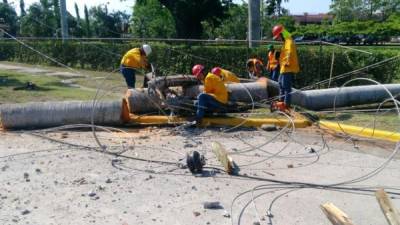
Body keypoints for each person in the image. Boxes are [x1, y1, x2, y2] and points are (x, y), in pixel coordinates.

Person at [272, 24, 300, 110]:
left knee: (286, 87)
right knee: (281, 85)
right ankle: (281, 102)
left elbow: (289, 52)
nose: (278, 39)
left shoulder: (289, 41)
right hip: (283, 68)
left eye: (278, 37)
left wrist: (286, 62)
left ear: (282, 34)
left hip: (287, 68)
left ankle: (286, 105)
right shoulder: (285, 42)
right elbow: (285, 53)